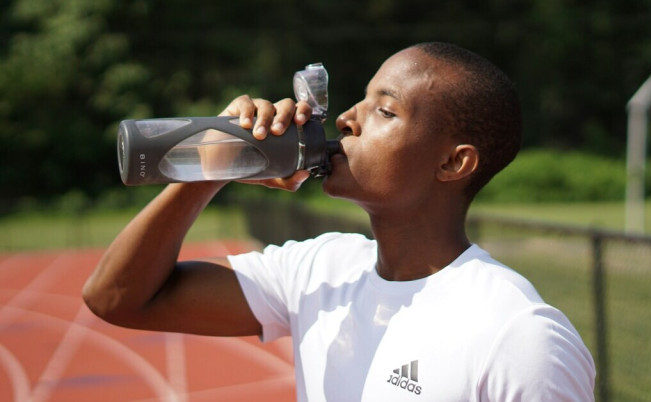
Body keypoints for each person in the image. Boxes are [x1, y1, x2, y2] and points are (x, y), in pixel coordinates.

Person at [83, 42, 595, 401]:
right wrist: (215, 159)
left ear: (452, 163)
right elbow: (115, 298)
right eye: (361, 100)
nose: (348, 118)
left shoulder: (519, 336)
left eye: (385, 112)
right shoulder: (321, 268)